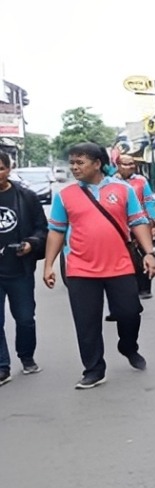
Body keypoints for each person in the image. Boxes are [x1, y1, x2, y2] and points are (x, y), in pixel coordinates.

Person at [44, 142, 155, 388]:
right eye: (72, 162)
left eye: (80, 162)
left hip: (120, 266)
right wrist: (48, 265)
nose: (74, 167)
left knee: (130, 312)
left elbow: (138, 221)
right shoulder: (64, 195)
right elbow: (56, 231)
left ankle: (128, 345)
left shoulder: (123, 190)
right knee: (86, 322)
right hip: (80, 268)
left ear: (97, 164)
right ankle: (94, 369)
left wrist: (149, 253)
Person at [0, 152, 47, 383]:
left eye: (0, 168)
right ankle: (2, 366)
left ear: (9, 169)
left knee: (26, 318)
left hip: (20, 270)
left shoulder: (26, 197)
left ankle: (27, 357)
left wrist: (31, 244)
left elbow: (42, 228)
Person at [116, 155, 155, 299]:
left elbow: (149, 202)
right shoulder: (112, 182)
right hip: (121, 227)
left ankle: (145, 288)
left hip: (141, 224)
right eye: (126, 164)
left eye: (132, 164)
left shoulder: (141, 181)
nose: (130, 167)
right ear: (118, 165)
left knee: (145, 254)